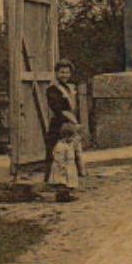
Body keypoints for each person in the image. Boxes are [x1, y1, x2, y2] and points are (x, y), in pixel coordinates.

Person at [45, 60, 85, 201]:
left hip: (69, 125)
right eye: (61, 72)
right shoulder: (53, 89)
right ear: (56, 73)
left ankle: (67, 190)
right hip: (59, 125)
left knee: (70, 158)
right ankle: (60, 192)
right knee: (59, 158)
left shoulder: (70, 88)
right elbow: (56, 108)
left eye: (67, 72)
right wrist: (69, 120)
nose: (64, 75)